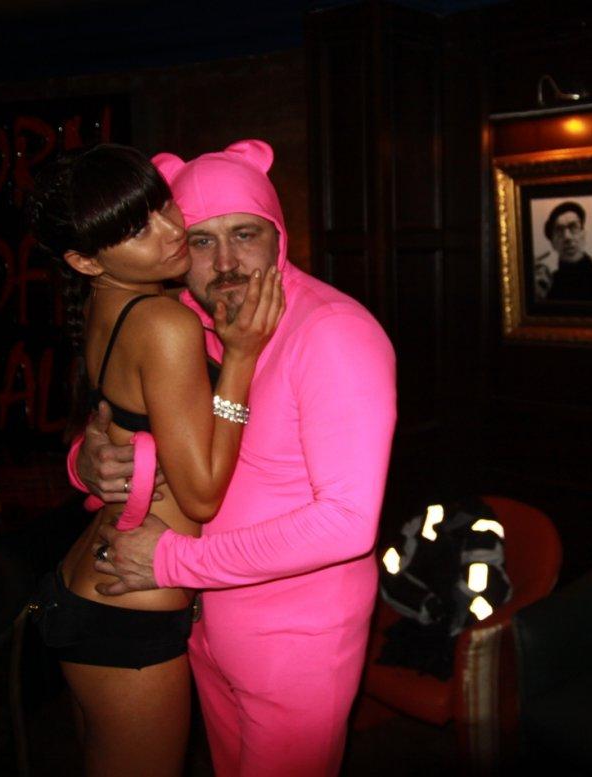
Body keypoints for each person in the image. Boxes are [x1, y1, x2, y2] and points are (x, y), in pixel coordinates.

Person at [70, 139, 398, 776]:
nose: (226, 262)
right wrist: (85, 460)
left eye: (245, 234)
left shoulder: (332, 333)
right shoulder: (182, 321)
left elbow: (347, 522)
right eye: (201, 240)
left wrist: (173, 560)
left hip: (296, 642)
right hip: (200, 623)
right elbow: (137, 423)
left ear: (278, 235)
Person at [27, 144, 284, 777]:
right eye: (137, 229)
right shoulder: (165, 323)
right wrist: (240, 358)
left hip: (92, 584)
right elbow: (200, 496)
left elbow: (112, 423)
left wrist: (84, 461)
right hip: (125, 609)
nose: (172, 233)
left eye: (163, 206)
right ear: (85, 260)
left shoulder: (109, 305)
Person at [542, 200, 592, 302]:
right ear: (553, 243)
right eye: (559, 230)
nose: (567, 237)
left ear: (583, 234)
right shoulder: (548, 285)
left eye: (573, 227)